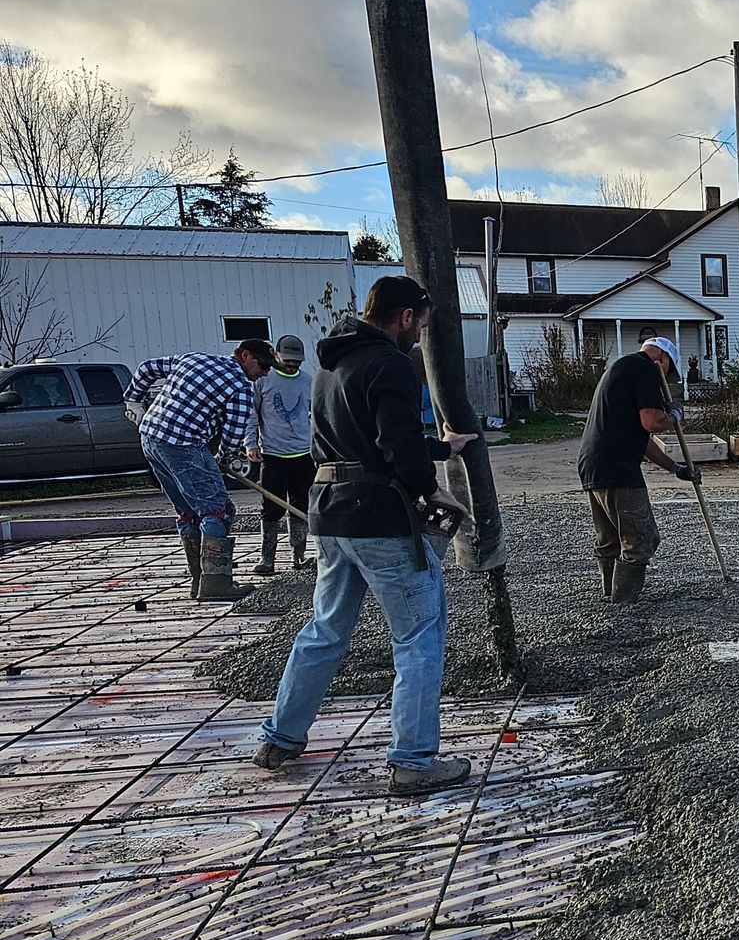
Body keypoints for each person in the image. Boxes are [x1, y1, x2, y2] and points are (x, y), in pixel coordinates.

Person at [252, 274, 478, 798]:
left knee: (325, 630)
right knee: (419, 637)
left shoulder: (330, 365)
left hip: (331, 515)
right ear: (404, 317)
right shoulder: (392, 365)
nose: (419, 336)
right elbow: (396, 446)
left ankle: (280, 739)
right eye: (419, 326)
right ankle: (413, 762)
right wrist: (431, 488)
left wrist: (442, 449)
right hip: (381, 519)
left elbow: (358, 439)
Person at [125, 339, 275, 601]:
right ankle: (216, 583)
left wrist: (133, 400)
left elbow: (147, 368)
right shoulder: (240, 387)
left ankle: (199, 580)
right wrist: (224, 460)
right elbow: (233, 434)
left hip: (150, 437)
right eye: (263, 365)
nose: (265, 372)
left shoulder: (194, 359)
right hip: (183, 443)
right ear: (246, 356)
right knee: (217, 509)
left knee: (188, 511)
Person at [576, 337, 700, 601]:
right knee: (640, 539)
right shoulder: (646, 369)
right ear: (663, 359)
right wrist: (674, 415)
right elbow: (652, 423)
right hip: (618, 469)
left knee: (610, 539)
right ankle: (625, 604)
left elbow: (642, 440)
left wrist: (676, 469)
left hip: (594, 465)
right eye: (669, 370)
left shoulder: (621, 368)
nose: (666, 377)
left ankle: (611, 596)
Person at [247, 334, 315, 575]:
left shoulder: (308, 381)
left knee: (301, 505)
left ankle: (299, 555)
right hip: (273, 455)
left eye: (296, 361)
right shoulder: (264, 380)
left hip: (303, 455)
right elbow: (251, 414)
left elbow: (316, 416)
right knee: (271, 508)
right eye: (288, 360)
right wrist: (250, 443)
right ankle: (268, 559)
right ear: (276, 355)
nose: (292, 365)